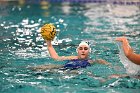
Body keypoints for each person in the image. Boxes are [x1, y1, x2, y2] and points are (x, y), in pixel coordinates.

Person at [31, 40, 111, 71]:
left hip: (77, 72)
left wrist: (111, 65)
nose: (83, 50)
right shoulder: (72, 57)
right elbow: (56, 58)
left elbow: (106, 63)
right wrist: (49, 43)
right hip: (63, 68)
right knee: (40, 67)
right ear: (77, 51)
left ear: (89, 52)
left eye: (85, 49)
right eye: (81, 49)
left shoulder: (92, 60)